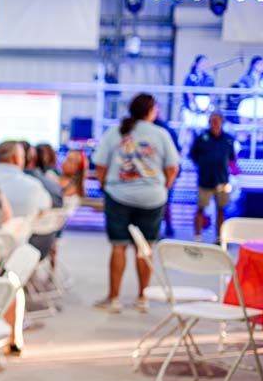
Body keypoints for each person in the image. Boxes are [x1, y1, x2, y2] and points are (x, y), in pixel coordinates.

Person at [92, 93, 179, 313]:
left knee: (118, 246)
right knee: (145, 248)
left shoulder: (115, 132)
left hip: (119, 195)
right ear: (151, 111)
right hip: (152, 198)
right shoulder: (161, 135)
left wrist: (104, 186)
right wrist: (163, 187)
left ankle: (114, 299)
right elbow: (172, 167)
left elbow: (100, 165)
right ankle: (143, 298)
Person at [190, 112, 235, 243]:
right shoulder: (201, 138)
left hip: (222, 180)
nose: (215, 123)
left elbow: (232, 158)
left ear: (222, 122)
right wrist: (203, 164)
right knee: (200, 208)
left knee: (221, 209)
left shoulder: (228, 139)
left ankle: (220, 237)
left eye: (217, 121)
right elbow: (193, 155)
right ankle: (198, 237)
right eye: (212, 121)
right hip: (205, 180)